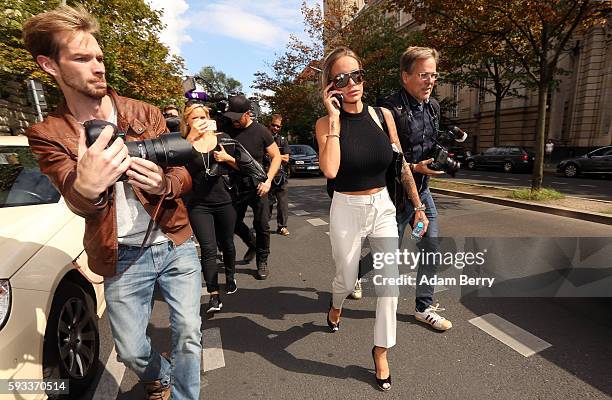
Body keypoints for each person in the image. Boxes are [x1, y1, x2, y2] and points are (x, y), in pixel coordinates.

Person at [22, 6, 202, 399]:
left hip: (173, 239)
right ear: (49, 66)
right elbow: (72, 195)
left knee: (189, 333)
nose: (97, 67)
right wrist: (86, 186)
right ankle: (160, 373)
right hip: (119, 254)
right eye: (82, 59)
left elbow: (186, 173)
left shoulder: (143, 112)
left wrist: (165, 183)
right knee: (132, 351)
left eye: (99, 57)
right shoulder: (48, 133)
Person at [316, 47, 427, 391]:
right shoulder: (325, 123)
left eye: (357, 75)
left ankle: (381, 351)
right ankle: (336, 306)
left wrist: (417, 205)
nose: (352, 84)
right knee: (347, 281)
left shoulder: (383, 116)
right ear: (331, 85)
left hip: (382, 206)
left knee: (390, 285)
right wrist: (334, 119)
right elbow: (330, 169)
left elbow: (400, 164)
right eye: (341, 79)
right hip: (346, 208)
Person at [380, 46, 452, 331]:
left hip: (422, 191)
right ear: (405, 76)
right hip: (394, 196)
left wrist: (438, 159)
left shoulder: (433, 106)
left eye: (433, 75)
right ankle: (356, 276)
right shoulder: (387, 109)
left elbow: (431, 142)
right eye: (423, 75)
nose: (430, 81)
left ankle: (424, 307)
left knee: (431, 248)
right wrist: (414, 166)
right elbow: (385, 157)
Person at [181, 104, 238, 314]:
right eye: (194, 118)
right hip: (199, 205)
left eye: (202, 116)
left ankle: (230, 275)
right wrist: (191, 138)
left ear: (209, 117)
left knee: (227, 243)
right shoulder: (183, 143)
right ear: (188, 121)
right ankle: (214, 294)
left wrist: (227, 158)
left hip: (225, 200)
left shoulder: (223, 139)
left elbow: (243, 165)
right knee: (208, 249)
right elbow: (177, 167)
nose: (199, 121)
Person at [225, 95, 282, 280]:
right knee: (232, 222)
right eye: (230, 117)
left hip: (258, 186)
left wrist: (268, 181)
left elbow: (277, 157)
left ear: (247, 114)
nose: (233, 121)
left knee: (262, 225)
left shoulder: (261, 131)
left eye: (237, 117)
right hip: (235, 185)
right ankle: (253, 244)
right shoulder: (227, 127)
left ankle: (262, 260)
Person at [267, 114, 291, 236]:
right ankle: (264, 226)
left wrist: (273, 155)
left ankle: (282, 227)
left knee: (283, 204)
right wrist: (278, 155)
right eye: (274, 125)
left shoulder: (282, 139)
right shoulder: (264, 138)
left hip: (281, 177)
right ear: (269, 124)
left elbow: (286, 158)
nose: (276, 128)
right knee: (267, 203)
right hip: (266, 176)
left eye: (278, 126)